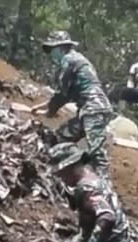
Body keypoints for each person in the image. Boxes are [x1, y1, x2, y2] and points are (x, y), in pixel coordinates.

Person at [36, 31, 115, 176]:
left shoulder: (68, 60)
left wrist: (49, 112)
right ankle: (63, 171)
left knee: (96, 150)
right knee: (61, 136)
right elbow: (67, 95)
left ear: (61, 48)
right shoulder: (78, 60)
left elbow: (61, 93)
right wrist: (43, 106)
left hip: (94, 107)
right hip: (89, 108)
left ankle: (103, 186)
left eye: (52, 50)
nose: (51, 55)